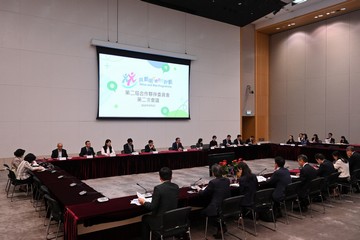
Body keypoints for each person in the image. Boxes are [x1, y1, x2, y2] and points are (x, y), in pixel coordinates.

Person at [138, 167, 179, 240]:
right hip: (172, 220)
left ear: (160, 177)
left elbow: (152, 207)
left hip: (161, 222)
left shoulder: (158, 189)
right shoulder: (176, 187)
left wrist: (143, 202)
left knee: (145, 218)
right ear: (171, 177)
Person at [197, 163, 231, 238]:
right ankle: (222, 226)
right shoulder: (227, 180)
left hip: (216, 208)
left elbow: (204, 193)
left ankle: (220, 226)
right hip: (225, 206)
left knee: (201, 213)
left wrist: (199, 190)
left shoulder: (213, 182)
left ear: (213, 173)